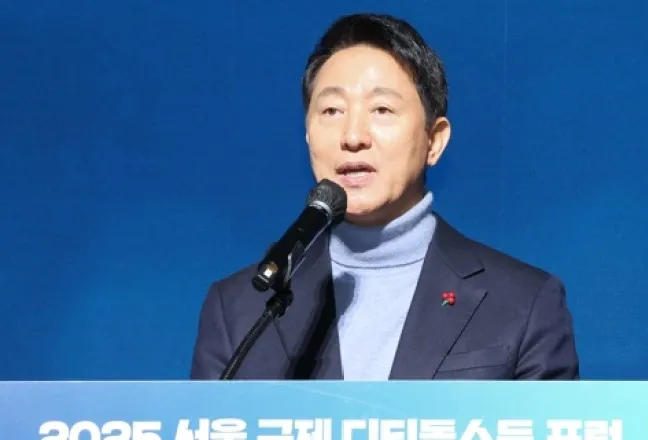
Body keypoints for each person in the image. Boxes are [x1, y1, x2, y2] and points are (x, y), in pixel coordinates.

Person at [190, 13, 580, 380]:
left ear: (434, 140)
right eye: (331, 110)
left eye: (381, 109)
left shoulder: (525, 303)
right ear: (307, 134)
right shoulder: (239, 309)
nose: (352, 136)